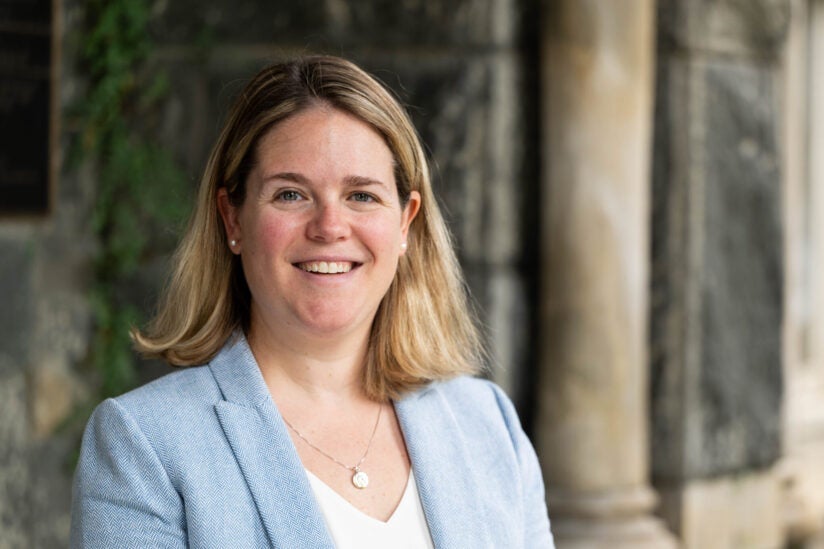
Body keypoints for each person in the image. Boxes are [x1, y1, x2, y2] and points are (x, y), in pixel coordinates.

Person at [71, 55, 554, 548]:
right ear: (233, 219)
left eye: (362, 196)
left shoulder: (487, 423)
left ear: (405, 222)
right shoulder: (145, 444)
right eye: (290, 195)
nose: (329, 227)